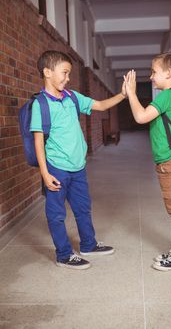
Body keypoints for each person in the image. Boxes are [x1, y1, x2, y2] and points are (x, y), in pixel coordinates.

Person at [30, 50, 127, 270]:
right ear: (47, 72)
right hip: (56, 168)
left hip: (78, 167)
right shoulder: (41, 104)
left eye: (69, 73)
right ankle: (64, 255)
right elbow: (38, 142)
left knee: (83, 208)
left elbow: (100, 106)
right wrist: (45, 173)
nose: (67, 78)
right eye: (64, 73)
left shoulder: (72, 97)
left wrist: (123, 94)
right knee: (56, 214)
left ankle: (88, 245)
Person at [124, 51, 171, 271]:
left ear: (169, 73)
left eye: (154, 72)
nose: (151, 77)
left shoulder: (166, 96)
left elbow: (141, 117)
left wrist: (132, 93)